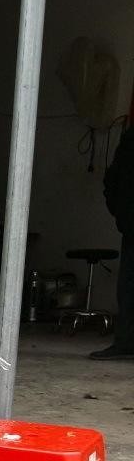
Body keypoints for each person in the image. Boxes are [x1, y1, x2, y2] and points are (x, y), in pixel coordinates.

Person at [93, 125, 134, 360]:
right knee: (128, 288)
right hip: (131, 225)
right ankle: (125, 342)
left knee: (128, 287)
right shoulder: (130, 140)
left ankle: (125, 342)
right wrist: (123, 215)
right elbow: (114, 180)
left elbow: (113, 181)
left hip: (130, 224)